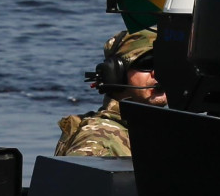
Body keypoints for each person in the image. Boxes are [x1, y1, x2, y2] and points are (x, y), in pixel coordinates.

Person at [55, 28, 165, 157]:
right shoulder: (98, 141)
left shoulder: (153, 131)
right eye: (147, 64)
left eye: (165, 64)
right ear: (116, 74)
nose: (159, 73)